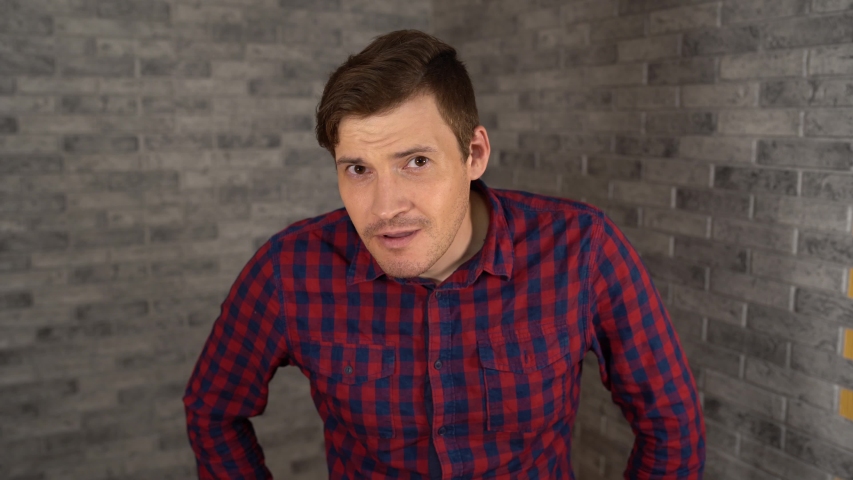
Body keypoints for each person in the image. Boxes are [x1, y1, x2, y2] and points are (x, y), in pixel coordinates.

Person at [183, 29, 705, 479]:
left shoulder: (582, 249)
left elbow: (671, 421)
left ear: (473, 154)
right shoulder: (288, 270)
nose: (385, 208)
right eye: (358, 169)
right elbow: (212, 409)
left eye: (415, 161)